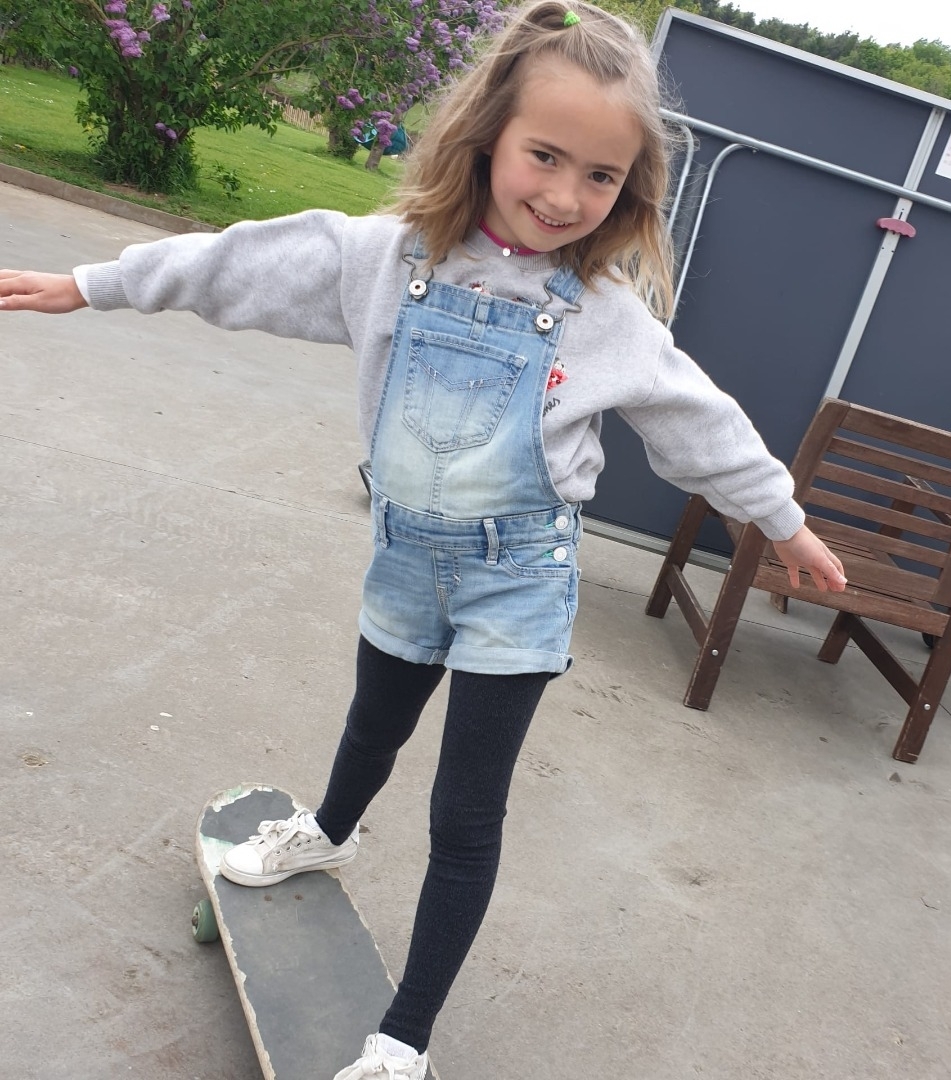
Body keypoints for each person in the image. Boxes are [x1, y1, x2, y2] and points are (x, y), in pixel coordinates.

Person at [0, 2, 847, 1076]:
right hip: (406, 556)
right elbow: (240, 263)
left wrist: (783, 522)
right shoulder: (384, 257)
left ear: (630, 188)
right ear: (489, 134)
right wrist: (94, 285)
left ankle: (405, 1037)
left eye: (600, 176)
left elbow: (703, 425)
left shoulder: (608, 318)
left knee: (465, 814)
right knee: (372, 727)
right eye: (545, 156)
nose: (565, 196)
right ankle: (329, 834)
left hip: (519, 582)